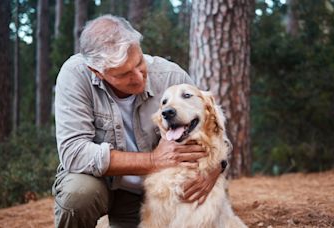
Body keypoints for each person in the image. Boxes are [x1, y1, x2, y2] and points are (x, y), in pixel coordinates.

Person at [52, 14, 223, 228]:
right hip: (100, 182)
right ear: (98, 72)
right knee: (78, 195)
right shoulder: (75, 75)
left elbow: (214, 128)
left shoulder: (171, 76)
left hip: (149, 193)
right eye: (124, 74)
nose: (139, 77)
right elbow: (74, 153)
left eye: (139, 63)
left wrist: (216, 168)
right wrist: (153, 160)